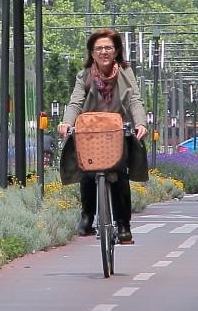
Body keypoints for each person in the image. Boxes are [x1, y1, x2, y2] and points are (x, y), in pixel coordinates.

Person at [58, 29, 148, 243]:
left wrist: (140, 123)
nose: (104, 52)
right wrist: (67, 123)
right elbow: (75, 102)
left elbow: (135, 100)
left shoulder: (126, 72)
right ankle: (87, 216)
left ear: (116, 51)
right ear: (92, 53)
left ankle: (123, 225)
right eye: (99, 48)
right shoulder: (84, 75)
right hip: (91, 131)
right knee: (87, 171)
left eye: (108, 48)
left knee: (120, 173)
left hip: (118, 129)